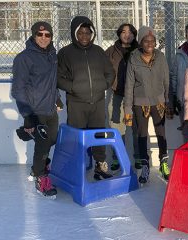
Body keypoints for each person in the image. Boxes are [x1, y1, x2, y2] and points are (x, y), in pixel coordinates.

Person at [57, 16, 115, 180]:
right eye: (80, 33)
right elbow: (59, 78)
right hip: (77, 103)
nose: (84, 36)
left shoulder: (98, 51)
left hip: (97, 102)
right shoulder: (65, 53)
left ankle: (100, 165)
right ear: (75, 33)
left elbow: (110, 72)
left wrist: (104, 85)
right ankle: (74, 168)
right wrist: (74, 88)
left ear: (92, 34)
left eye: (87, 33)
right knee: (76, 138)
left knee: (98, 135)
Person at [11, 21, 62, 198]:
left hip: (50, 109)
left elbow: (53, 82)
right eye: (40, 35)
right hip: (35, 110)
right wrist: (28, 116)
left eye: (47, 35)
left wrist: (57, 99)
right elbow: (18, 88)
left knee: (53, 139)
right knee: (43, 145)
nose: (43, 38)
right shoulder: (24, 58)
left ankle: (36, 165)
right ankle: (41, 178)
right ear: (33, 36)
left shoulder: (52, 55)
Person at [123, 26, 170, 184]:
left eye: (152, 41)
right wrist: (127, 109)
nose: (150, 43)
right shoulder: (133, 58)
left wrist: (167, 100)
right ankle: (145, 166)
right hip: (140, 104)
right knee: (142, 136)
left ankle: (164, 163)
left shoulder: (161, 57)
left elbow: (166, 81)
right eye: (146, 40)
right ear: (140, 42)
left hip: (158, 103)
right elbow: (129, 85)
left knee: (161, 133)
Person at [105, 23, 140, 171]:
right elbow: (103, 69)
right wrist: (110, 83)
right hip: (117, 94)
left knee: (138, 127)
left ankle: (139, 156)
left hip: (137, 95)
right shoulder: (111, 51)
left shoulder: (139, 50)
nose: (127, 35)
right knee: (116, 127)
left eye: (131, 32)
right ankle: (117, 157)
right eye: (124, 32)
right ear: (119, 34)